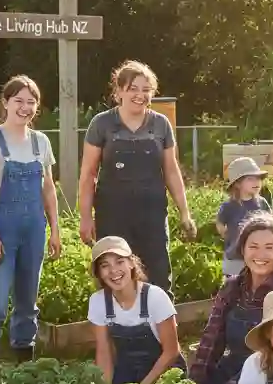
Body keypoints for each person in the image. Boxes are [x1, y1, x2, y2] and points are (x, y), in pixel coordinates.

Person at [78, 61, 196, 296]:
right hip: (112, 213)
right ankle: (118, 329)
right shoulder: (102, 124)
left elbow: (171, 170)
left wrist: (184, 212)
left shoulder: (160, 124)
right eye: (133, 88)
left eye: (146, 89)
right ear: (119, 91)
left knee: (159, 276)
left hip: (151, 212)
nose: (140, 95)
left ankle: (161, 329)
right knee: (115, 275)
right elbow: (88, 174)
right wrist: (85, 217)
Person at [0, 76, 61, 360]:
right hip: (0, 229)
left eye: (31, 102)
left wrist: (55, 230)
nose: (25, 107)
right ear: (5, 103)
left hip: (33, 230)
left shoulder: (41, 143)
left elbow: (48, 188)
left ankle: (24, 371)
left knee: (27, 303)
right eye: (18, 101)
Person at [191, 213, 273, 384]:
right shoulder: (232, 287)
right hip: (232, 367)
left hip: (271, 379)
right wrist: (195, 383)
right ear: (243, 249)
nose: (260, 255)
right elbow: (212, 339)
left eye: (269, 248)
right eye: (253, 247)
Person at [87, 236, 185, 384]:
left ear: (131, 263)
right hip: (127, 372)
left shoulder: (155, 297)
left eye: (120, 262)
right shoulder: (98, 302)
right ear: (98, 273)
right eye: (105, 266)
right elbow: (104, 352)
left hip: (165, 373)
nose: (113, 271)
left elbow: (171, 352)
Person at [217, 157, 272, 278]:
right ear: (237, 183)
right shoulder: (229, 206)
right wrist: (227, 234)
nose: (256, 183)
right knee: (234, 289)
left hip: (258, 257)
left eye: (258, 179)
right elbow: (220, 223)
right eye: (250, 179)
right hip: (235, 258)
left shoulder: (262, 203)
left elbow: (271, 225)